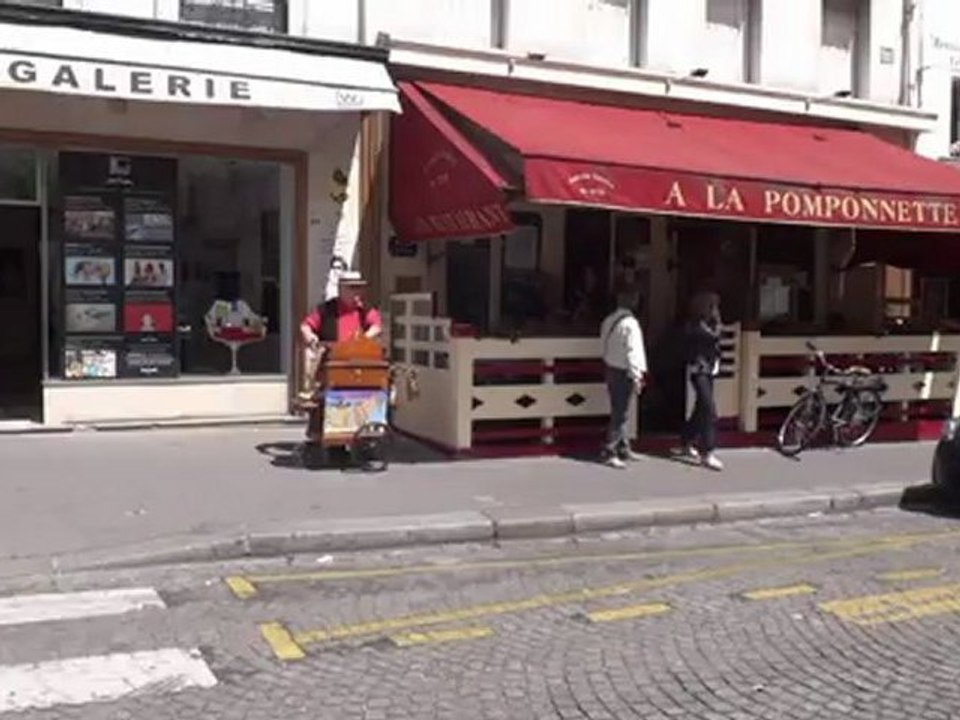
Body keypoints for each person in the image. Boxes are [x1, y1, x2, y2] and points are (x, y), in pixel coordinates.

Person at [298, 271, 383, 401]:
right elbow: (306, 326)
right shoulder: (326, 309)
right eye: (352, 288)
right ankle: (310, 388)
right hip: (330, 357)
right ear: (341, 289)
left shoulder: (365, 309)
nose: (357, 292)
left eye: (359, 288)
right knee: (310, 352)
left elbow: (376, 326)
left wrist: (363, 339)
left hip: (358, 358)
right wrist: (310, 336)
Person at [675, 291, 724, 471]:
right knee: (709, 410)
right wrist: (718, 320)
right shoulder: (697, 325)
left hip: (709, 369)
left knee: (700, 408)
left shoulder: (704, 324)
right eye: (713, 306)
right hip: (699, 370)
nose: (716, 310)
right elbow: (714, 336)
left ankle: (686, 440)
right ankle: (707, 451)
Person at [599, 291, 647, 469]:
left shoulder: (609, 320)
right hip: (624, 371)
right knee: (620, 413)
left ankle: (623, 447)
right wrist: (637, 375)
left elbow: (603, 343)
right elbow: (633, 351)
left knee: (620, 410)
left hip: (611, 367)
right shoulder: (631, 324)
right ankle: (610, 450)